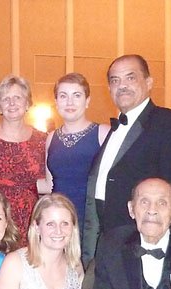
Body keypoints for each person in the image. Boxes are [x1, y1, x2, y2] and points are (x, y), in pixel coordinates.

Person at [83, 54, 171, 265]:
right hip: (112, 245)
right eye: (115, 80)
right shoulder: (114, 130)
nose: (122, 85)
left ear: (149, 83)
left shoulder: (169, 124)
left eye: (130, 78)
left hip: (145, 246)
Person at [46, 73, 110, 245]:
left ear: (87, 101)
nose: (69, 102)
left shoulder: (103, 133)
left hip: (92, 222)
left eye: (77, 95)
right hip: (59, 222)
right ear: (56, 101)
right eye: (63, 96)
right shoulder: (51, 138)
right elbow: (48, 184)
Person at [0, 75, 47, 245]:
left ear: (27, 104)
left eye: (17, 98)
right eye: (5, 99)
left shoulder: (43, 140)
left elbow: (49, 183)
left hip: (30, 222)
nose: (12, 103)